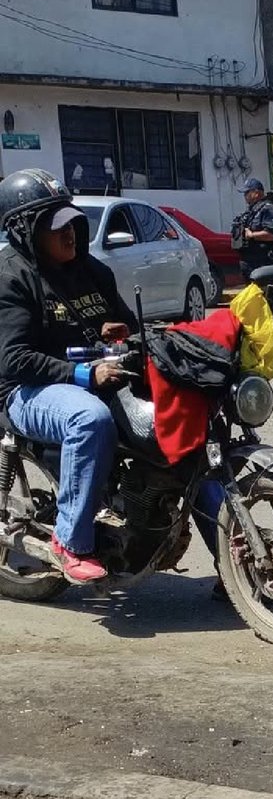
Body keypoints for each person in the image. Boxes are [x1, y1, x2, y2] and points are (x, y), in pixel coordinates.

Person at [0, 169, 137, 584]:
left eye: (72, 223)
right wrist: (82, 374)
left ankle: (231, 552)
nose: (70, 233)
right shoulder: (12, 277)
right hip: (26, 390)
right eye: (56, 226)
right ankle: (71, 541)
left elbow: (128, 327)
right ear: (26, 231)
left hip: (97, 375)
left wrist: (123, 334)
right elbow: (12, 358)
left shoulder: (92, 272)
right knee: (89, 419)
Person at [237, 178, 273, 337]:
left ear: (257, 193)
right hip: (250, 261)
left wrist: (252, 235)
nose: (245, 196)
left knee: (269, 297)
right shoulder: (251, 211)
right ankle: (258, 330)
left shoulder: (270, 210)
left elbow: (272, 234)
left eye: (247, 192)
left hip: (266, 261)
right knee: (253, 298)